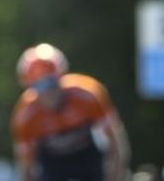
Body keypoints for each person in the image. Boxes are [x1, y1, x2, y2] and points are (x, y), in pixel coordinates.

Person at [11, 43, 131, 181]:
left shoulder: (88, 94)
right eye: (38, 86)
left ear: (61, 77)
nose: (47, 92)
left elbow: (115, 144)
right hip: (52, 165)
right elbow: (26, 168)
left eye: (51, 82)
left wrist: (116, 177)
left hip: (88, 157)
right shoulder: (25, 115)